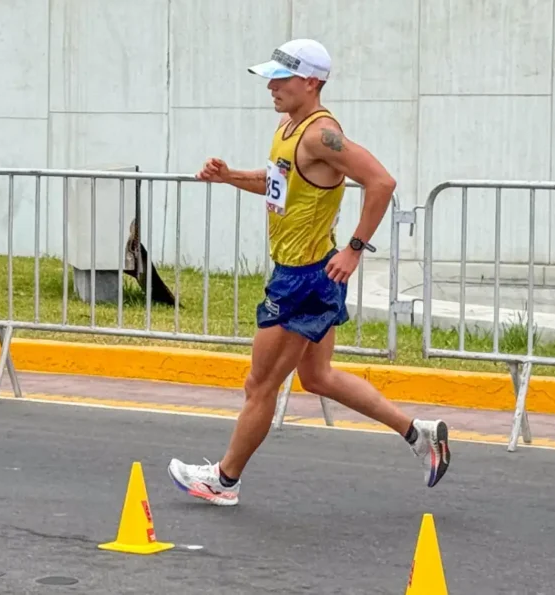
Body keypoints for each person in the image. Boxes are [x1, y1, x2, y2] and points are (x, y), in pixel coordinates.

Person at [167, 39, 451, 506]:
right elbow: (279, 181)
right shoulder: (288, 127)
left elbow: (382, 182)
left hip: (304, 279)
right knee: (317, 377)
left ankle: (224, 480)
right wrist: (230, 175)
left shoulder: (321, 134)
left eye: (281, 79)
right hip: (303, 272)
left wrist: (355, 249)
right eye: (270, 78)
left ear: (311, 83)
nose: (271, 87)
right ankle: (417, 434)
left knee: (260, 385)